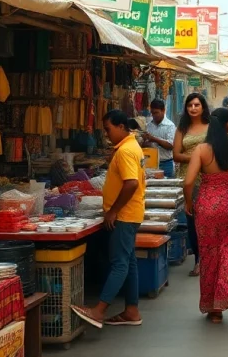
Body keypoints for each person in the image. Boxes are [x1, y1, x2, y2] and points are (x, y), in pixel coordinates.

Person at [72, 110, 145, 328]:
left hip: (124, 215)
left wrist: (113, 211)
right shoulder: (132, 147)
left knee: (119, 264)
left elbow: (131, 183)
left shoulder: (125, 151)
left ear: (121, 127)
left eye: (108, 129)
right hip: (131, 213)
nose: (106, 134)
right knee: (129, 262)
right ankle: (131, 310)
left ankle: (99, 310)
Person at [184, 108, 228, 325]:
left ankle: (214, 310)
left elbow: (188, 182)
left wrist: (189, 203)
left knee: (209, 255)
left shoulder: (202, 150)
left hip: (205, 207)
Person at [175, 93, 210, 277]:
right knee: (192, 221)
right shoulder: (182, 127)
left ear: (203, 107)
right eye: (190, 105)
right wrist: (197, 159)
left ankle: (210, 259)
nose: (193, 108)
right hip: (188, 179)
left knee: (207, 221)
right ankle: (198, 260)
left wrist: (202, 161)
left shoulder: (211, 126)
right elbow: (176, 154)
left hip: (207, 179)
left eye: (197, 105)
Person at [142, 99, 177, 178]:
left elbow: (170, 146)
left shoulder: (170, 126)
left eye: (156, 113)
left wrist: (154, 139)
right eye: (152, 113)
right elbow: (146, 145)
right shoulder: (149, 126)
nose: (154, 115)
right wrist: (145, 141)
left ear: (163, 110)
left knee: (167, 187)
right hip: (151, 163)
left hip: (166, 164)